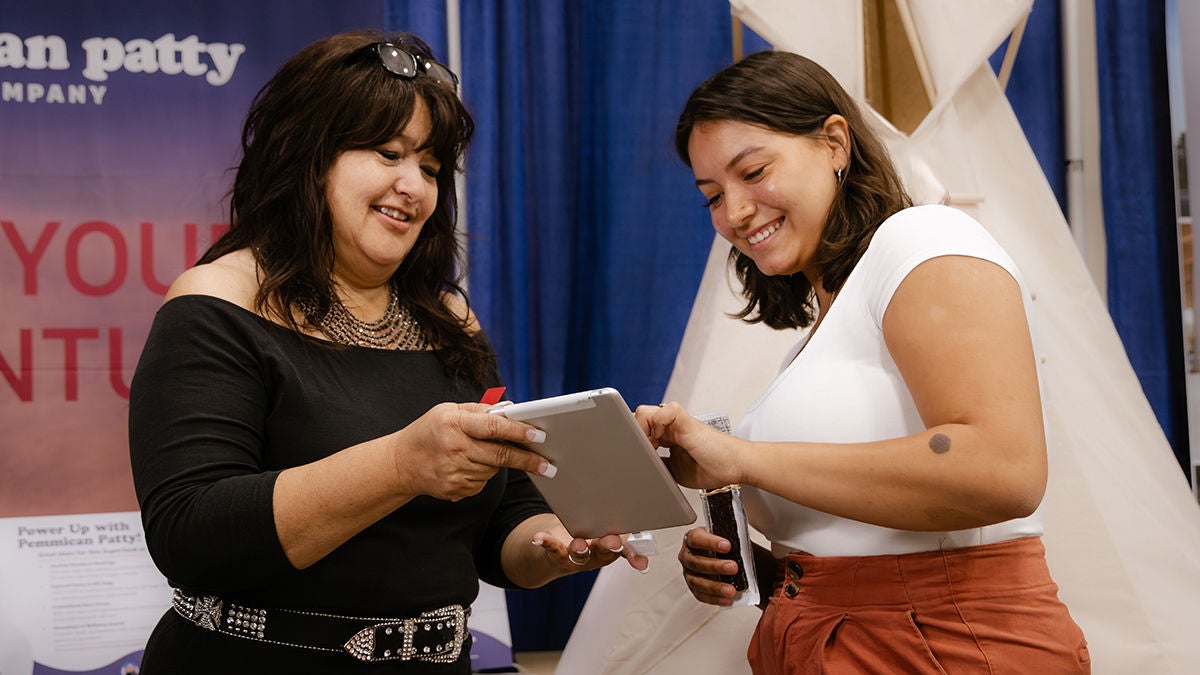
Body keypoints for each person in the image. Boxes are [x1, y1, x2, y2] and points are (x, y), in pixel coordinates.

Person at [128, 30, 645, 673]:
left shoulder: (450, 319)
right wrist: (401, 463)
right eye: (387, 152)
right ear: (308, 155)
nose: (415, 186)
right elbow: (190, 534)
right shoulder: (217, 300)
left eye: (430, 167)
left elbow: (499, 524)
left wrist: (555, 546)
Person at [636, 50, 1090, 673]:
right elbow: (869, 535)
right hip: (835, 636)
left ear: (834, 143)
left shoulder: (923, 238)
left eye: (754, 171)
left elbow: (1004, 471)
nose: (734, 213)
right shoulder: (821, 333)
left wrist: (741, 458)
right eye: (712, 196)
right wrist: (769, 566)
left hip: (941, 641)